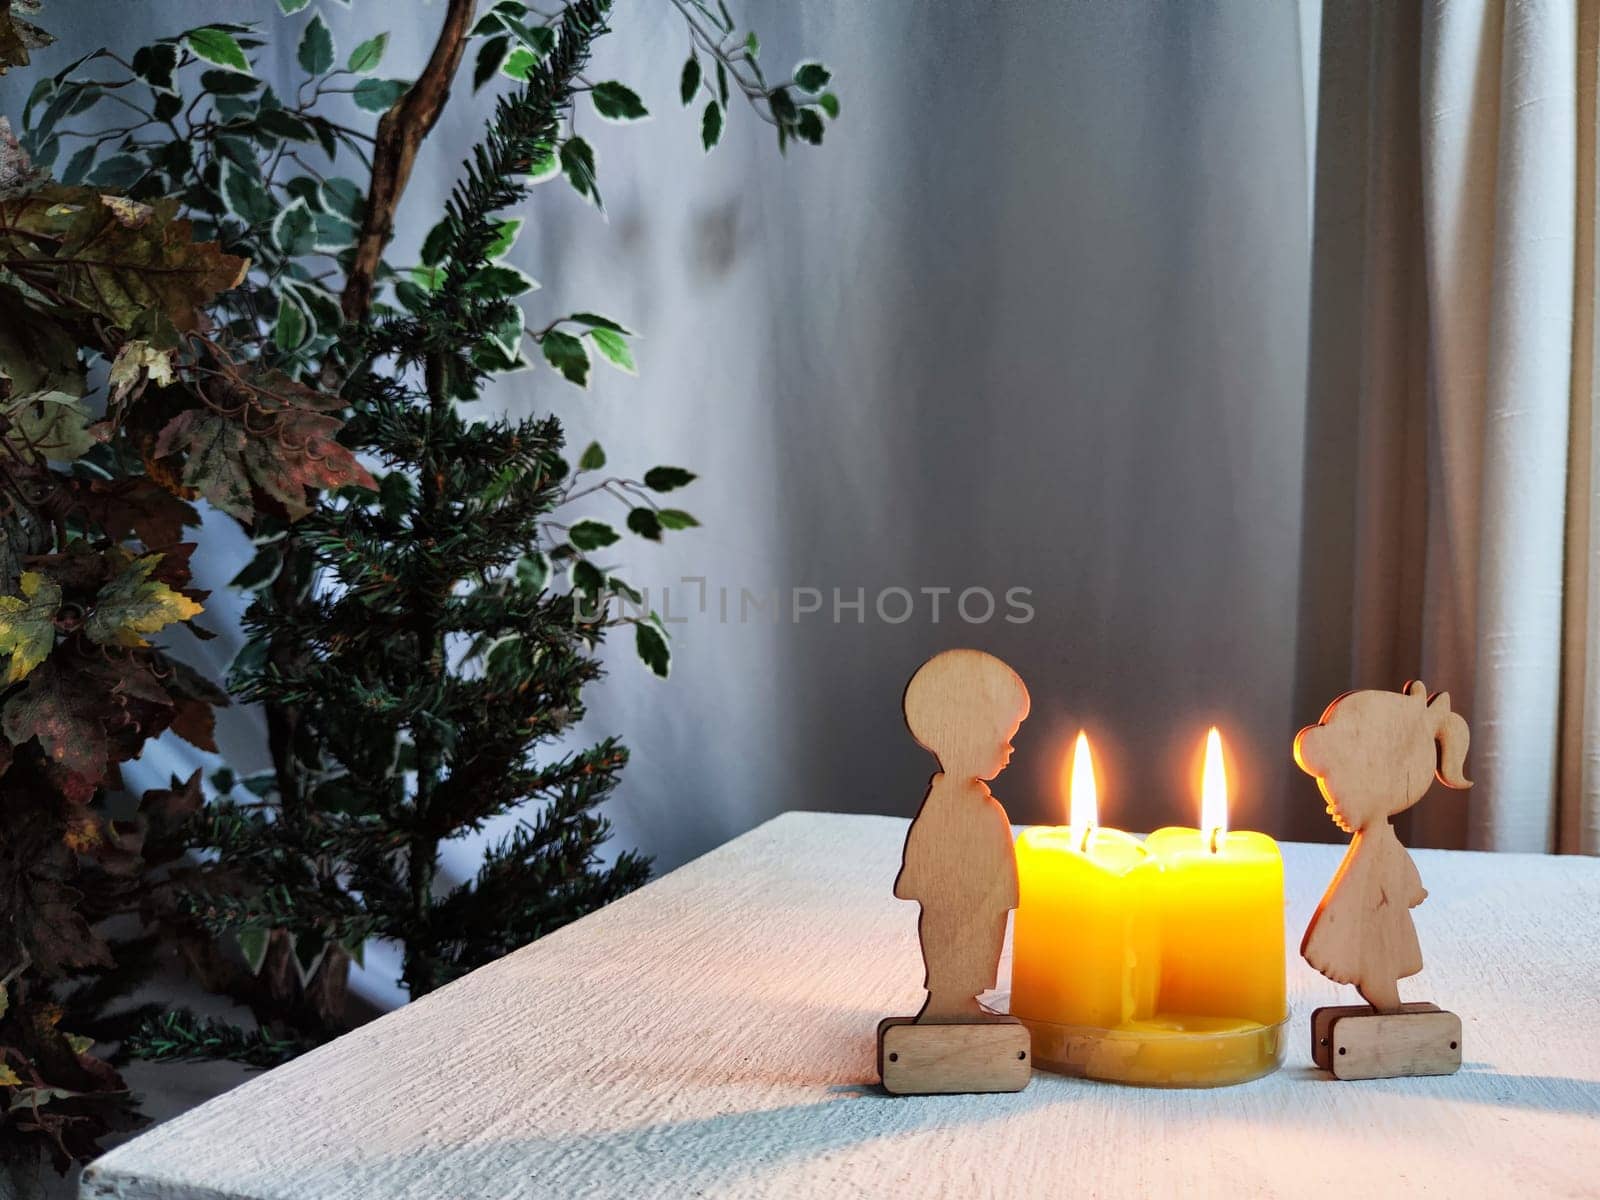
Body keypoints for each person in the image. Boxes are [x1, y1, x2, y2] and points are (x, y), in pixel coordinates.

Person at [1294, 682, 1471, 1012]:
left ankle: (1385, 1001)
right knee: (1374, 948)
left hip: (1380, 908)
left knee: (1376, 951)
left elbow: (1393, 862)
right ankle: (1384, 997)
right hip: (1379, 906)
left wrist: (1408, 886)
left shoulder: (1378, 839)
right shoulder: (1375, 838)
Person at [894, 649, 1029, 1021]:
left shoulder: (983, 808)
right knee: (954, 950)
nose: (1011, 749)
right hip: (956, 904)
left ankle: (962, 1003)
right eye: (1003, 737)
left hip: (982, 904)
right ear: (964, 736)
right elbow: (925, 850)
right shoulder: (948, 806)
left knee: (979, 951)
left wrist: (1003, 895)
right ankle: (947, 1006)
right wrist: (923, 880)